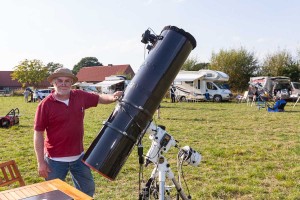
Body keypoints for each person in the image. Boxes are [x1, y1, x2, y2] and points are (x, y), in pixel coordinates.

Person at [33, 68, 122, 197]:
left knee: (87, 191)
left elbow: (99, 98)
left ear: (71, 83)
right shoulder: (45, 105)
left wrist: (112, 97)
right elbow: (38, 134)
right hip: (54, 160)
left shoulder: (79, 96)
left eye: (67, 81)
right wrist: (41, 162)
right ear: (54, 83)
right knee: (53, 196)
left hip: (79, 158)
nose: (64, 84)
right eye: (60, 81)